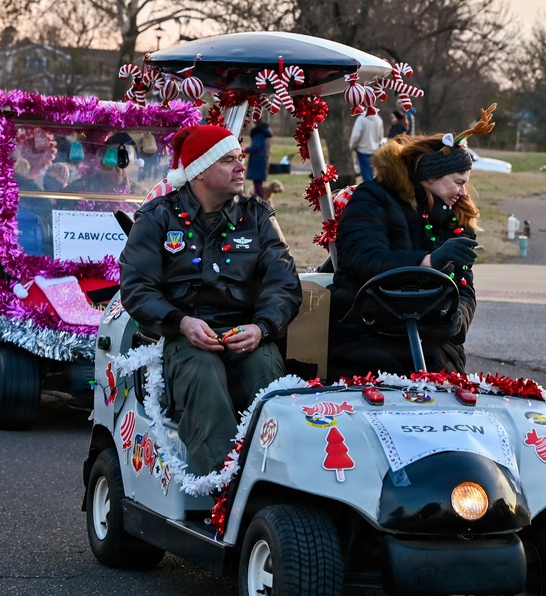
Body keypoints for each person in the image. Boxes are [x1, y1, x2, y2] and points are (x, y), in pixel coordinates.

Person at [119, 124, 303, 476]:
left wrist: (262, 327)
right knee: (203, 370)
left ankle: (279, 475)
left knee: (266, 368)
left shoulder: (257, 216)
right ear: (200, 170)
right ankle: (221, 483)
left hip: (245, 330)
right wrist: (181, 322)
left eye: (240, 158)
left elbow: (283, 283)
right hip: (181, 334)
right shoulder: (158, 217)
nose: (240, 167)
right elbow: (137, 287)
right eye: (228, 160)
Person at [328, 104, 497, 379]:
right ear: (431, 176)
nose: (463, 192)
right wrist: (429, 261)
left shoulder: (456, 219)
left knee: (438, 373)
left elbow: (465, 287)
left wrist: (459, 318)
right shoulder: (373, 198)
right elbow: (363, 257)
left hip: (432, 335)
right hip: (364, 328)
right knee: (386, 373)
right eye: (458, 182)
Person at [349, 111, 384, 182]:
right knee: (375, 174)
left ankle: (369, 190)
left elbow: (356, 136)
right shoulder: (379, 119)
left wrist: (352, 146)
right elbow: (380, 136)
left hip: (363, 151)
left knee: (366, 175)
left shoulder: (361, 119)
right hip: (375, 150)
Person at [245, 120, 273, 198]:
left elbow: (256, 147)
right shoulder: (264, 134)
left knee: (257, 183)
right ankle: (261, 200)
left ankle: (259, 201)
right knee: (259, 183)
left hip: (257, 161)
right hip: (262, 160)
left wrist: (246, 149)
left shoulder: (257, 134)